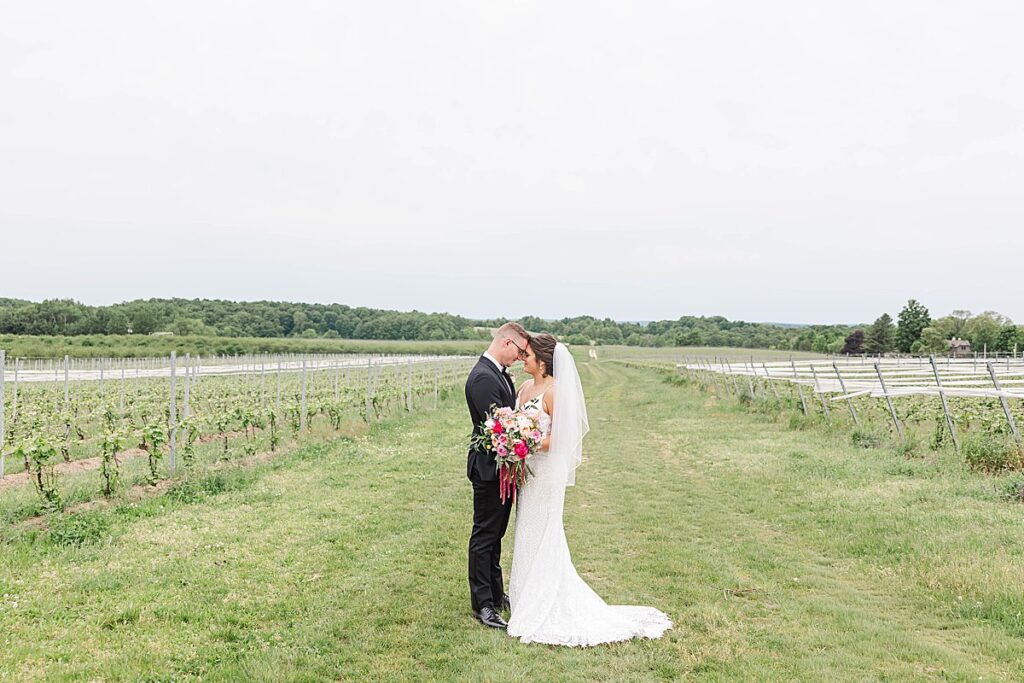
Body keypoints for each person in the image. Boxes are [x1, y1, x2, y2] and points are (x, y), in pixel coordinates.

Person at [506, 333, 672, 646]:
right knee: (526, 529)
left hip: (546, 470)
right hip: (527, 470)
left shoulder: (555, 391)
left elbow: (562, 437)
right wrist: (512, 439)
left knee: (544, 530)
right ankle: (524, 595)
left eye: (527, 354)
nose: (522, 358)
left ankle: (546, 599)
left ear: (543, 361)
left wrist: (527, 444)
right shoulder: (525, 387)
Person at [464, 321, 530, 629]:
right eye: (519, 351)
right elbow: (498, 428)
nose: (519, 357)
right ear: (506, 343)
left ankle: (495, 591)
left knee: (496, 535)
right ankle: (483, 604)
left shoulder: (498, 373)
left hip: (501, 468)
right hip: (488, 469)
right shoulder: (483, 377)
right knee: (484, 536)